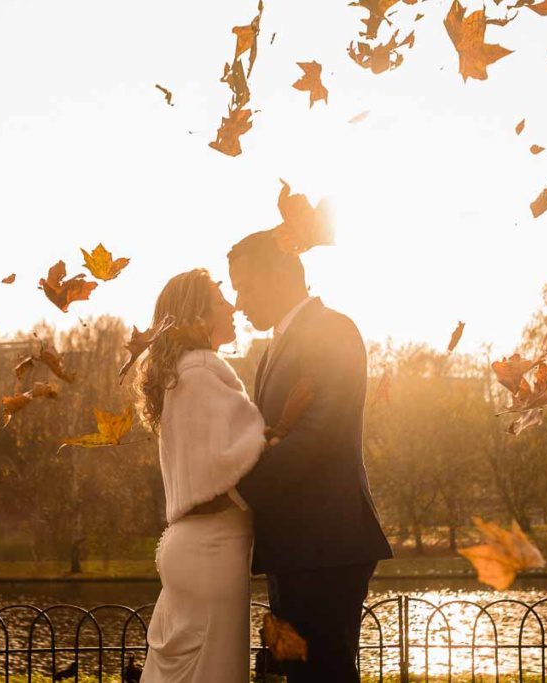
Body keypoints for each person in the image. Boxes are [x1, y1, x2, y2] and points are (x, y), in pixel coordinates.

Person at [228, 229, 393, 683]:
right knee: (303, 674)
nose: (239, 302)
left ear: (280, 275)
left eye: (245, 287)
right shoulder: (273, 348)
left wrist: (238, 495)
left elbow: (319, 435)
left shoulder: (333, 331)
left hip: (327, 541)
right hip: (298, 543)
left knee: (325, 672)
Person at [137, 268, 307, 683]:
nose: (232, 306)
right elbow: (232, 464)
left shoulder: (185, 375)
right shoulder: (199, 374)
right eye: (220, 299)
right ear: (197, 315)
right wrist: (285, 425)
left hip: (198, 547)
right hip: (211, 550)